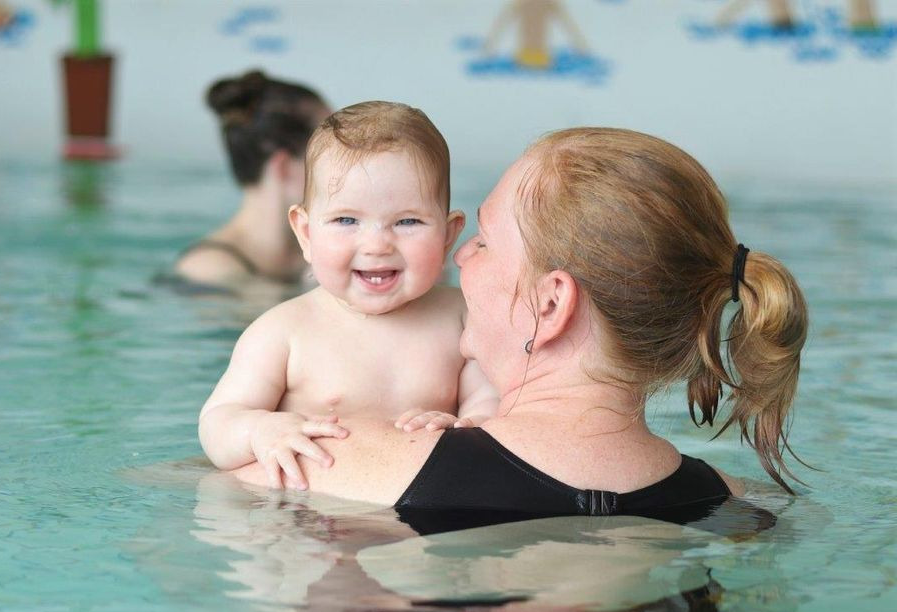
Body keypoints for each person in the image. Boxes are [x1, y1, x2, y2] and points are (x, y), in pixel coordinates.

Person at [233, 127, 810, 518]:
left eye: (481, 240)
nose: (458, 258)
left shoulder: (333, 462)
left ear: (551, 305)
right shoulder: (737, 506)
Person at [199, 102, 500, 489]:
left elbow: (494, 406)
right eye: (346, 220)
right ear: (305, 233)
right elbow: (219, 421)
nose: (376, 244)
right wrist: (260, 429)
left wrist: (469, 425)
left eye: (407, 221)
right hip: (309, 521)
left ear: (447, 235)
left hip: (412, 524)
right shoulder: (283, 331)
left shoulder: (463, 320)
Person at [173, 70, 329, 290]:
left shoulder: (319, 255)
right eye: (329, 152)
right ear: (284, 167)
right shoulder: (209, 269)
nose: (344, 166)